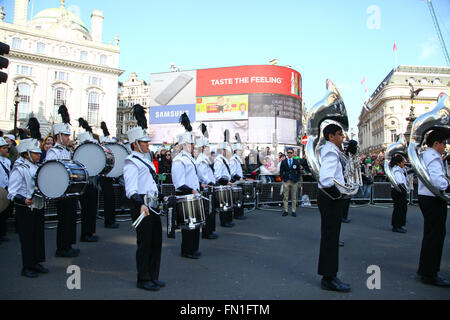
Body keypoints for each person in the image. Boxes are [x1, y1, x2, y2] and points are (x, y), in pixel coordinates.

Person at [123, 105, 165, 291]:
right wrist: (140, 205)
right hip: (141, 206)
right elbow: (131, 189)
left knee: (156, 242)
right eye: (144, 142)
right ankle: (143, 278)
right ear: (135, 144)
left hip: (152, 204)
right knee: (145, 244)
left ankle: (153, 276)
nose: (148, 144)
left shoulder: (145, 159)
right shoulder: (131, 162)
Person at [317, 124, 353, 292]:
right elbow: (326, 179)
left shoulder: (332, 150)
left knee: (330, 237)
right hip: (331, 198)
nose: (342, 137)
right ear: (331, 136)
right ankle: (329, 277)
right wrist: (339, 195)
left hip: (329, 197)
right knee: (330, 238)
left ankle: (329, 275)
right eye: (340, 134)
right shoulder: (331, 151)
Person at [8, 138, 48, 278]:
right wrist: (24, 200)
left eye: (38, 153)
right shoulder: (19, 168)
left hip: (38, 205)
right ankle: (27, 266)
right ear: (26, 154)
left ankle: (36, 262)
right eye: (35, 153)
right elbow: (11, 192)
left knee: (38, 235)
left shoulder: (37, 166)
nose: (38, 155)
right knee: (27, 237)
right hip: (25, 208)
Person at [416, 129, 450, 287]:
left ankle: (425, 269)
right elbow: (438, 182)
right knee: (436, 236)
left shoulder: (425, 155)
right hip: (433, 198)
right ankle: (430, 273)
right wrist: (447, 184)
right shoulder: (433, 157)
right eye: (444, 143)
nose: (445, 146)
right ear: (436, 143)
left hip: (426, 197)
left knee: (430, 235)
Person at [46, 105, 80, 258]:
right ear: (58, 136)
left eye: (68, 135)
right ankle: (62, 248)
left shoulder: (67, 151)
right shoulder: (53, 152)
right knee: (64, 220)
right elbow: (51, 172)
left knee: (71, 218)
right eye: (65, 135)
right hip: (62, 191)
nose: (68, 138)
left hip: (70, 190)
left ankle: (68, 245)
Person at [172, 113, 202, 259]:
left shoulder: (190, 159)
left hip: (193, 194)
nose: (192, 146)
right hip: (186, 195)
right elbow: (179, 183)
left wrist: (199, 186)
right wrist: (192, 190)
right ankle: (187, 250)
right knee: (188, 225)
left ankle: (194, 248)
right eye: (190, 144)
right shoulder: (179, 160)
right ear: (184, 145)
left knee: (195, 225)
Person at [195, 124, 218, 240]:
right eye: (207, 147)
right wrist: (210, 183)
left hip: (210, 187)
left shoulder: (205, 158)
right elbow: (203, 175)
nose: (209, 149)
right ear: (203, 148)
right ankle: (207, 233)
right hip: (206, 188)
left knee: (211, 211)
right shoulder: (201, 159)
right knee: (208, 212)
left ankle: (210, 231)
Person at [98, 122, 120, 229]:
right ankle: (109, 221)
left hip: (109, 178)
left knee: (111, 199)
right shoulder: (101, 154)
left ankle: (111, 219)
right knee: (108, 199)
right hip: (104, 178)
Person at [214, 131, 234, 228]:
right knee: (224, 204)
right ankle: (224, 221)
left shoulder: (225, 159)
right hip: (223, 185)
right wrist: (226, 182)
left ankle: (228, 220)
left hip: (227, 184)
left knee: (228, 203)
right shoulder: (218, 160)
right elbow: (217, 176)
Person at [279, 148, 301, 217]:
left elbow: (299, 171)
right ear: (287, 153)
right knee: (285, 196)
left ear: (293, 153)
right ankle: (286, 210)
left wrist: (297, 179)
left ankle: (293, 211)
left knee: (294, 197)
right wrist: (283, 179)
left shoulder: (296, 161)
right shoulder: (284, 161)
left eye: (291, 153)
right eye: (288, 153)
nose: (289, 154)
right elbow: (281, 171)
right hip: (286, 181)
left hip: (294, 181)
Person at [389, 155, 408, 233]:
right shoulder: (397, 171)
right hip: (399, 191)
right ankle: (397, 226)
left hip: (398, 191)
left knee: (400, 208)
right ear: (398, 163)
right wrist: (405, 191)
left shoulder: (398, 169)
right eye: (403, 162)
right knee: (399, 209)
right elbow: (400, 182)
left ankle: (398, 225)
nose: (404, 164)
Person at [230, 133, 246, 220]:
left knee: (240, 199)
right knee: (237, 199)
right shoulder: (233, 160)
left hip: (239, 182)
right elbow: (232, 173)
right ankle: (237, 214)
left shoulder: (238, 159)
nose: (241, 151)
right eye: (239, 150)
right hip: (236, 183)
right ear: (236, 151)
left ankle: (240, 213)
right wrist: (240, 178)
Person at [0, 137, 11, 243]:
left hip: (5, 189)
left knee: (4, 212)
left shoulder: (7, 161)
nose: (6, 150)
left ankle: (2, 233)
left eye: (6, 148)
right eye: (3, 148)